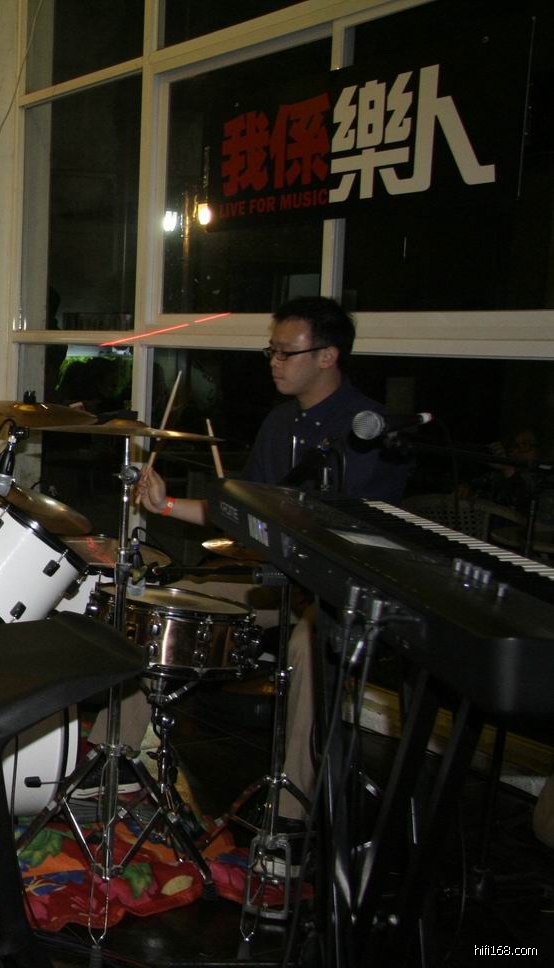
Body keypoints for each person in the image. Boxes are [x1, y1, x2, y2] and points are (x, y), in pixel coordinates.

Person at [89, 296, 409, 833]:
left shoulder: (369, 431)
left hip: (338, 591)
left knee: (309, 646)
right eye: (271, 351)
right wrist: (164, 505)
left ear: (328, 355)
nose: (274, 362)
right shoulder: (280, 423)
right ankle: (113, 755)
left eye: (286, 352)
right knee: (163, 602)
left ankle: (291, 816)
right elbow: (241, 514)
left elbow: (367, 537)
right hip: (276, 577)